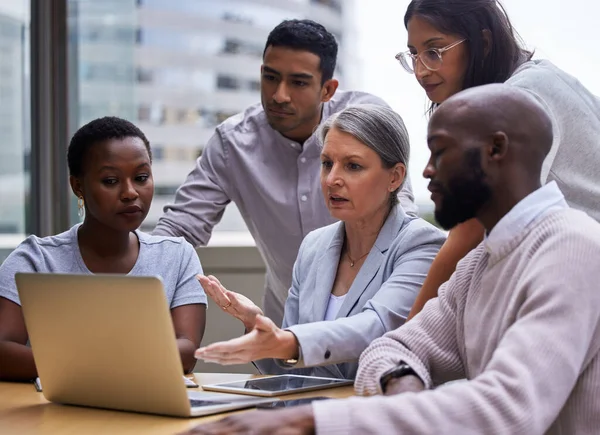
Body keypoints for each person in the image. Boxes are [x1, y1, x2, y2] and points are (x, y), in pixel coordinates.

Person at [182, 85, 600, 435]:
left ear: (496, 150)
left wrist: (314, 420)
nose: (429, 172)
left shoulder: (572, 246)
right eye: (326, 164)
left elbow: (508, 409)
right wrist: (402, 386)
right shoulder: (482, 262)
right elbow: (393, 347)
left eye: (441, 152)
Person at [153, 19, 417, 327]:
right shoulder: (232, 144)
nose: (279, 95)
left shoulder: (364, 123)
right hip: (286, 332)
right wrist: (129, 280)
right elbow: (180, 230)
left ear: (328, 89)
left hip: (376, 322)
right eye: (270, 77)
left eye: (299, 82)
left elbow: (403, 221)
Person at [194, 104, 445, 379]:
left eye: (353, 166)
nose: (332, 179)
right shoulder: (314, 246)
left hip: (378, 412)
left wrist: (287, 340)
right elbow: (289, 368)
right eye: (327, 163)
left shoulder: (421, 243)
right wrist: (257, 326)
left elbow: (377, 326)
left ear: (395, 177)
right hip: (309, 412)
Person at [398, 0, 600, 320]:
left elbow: (469, 233)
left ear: (484, 43)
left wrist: (406, 335)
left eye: (435, 51)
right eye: (413, 54)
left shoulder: (519, 98)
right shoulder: (534, 81)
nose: (421, 69)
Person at [0, 117, 207, 381]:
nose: (130, 192)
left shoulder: (177, 256)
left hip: (149, 409)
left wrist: (74, 362)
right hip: (58, 414)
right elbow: (3, 353)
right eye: (111, 181)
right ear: (78, 186)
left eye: (141, 177)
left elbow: (187, 352)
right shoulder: (35, 260)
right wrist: (112, 363)